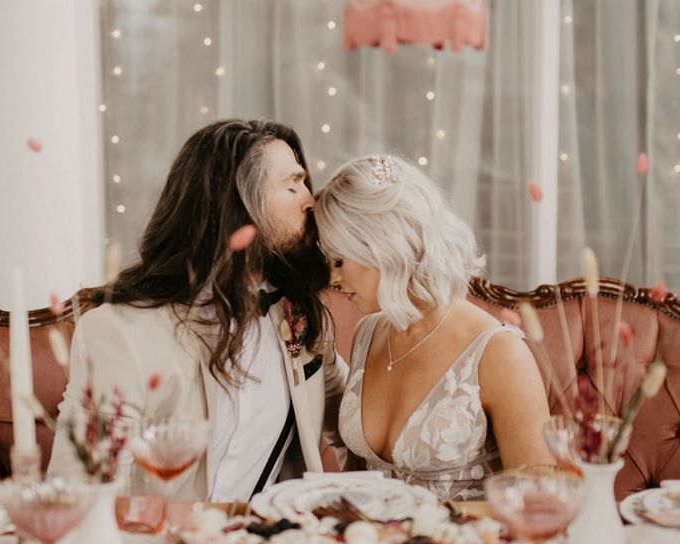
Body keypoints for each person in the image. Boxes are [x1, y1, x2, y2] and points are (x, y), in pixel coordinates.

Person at [48, 119, 348, 501]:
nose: (310, 200)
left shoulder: (300, 315)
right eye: (292, 185)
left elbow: (355, 419)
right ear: (238, 206)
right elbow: (80, 491)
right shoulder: (119, 332)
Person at [314, 154, 552, 500]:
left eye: (339, 260)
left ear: (385, 246)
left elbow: (538, 503)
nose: (333, 278)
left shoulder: (499, 353)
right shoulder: (370, 333)